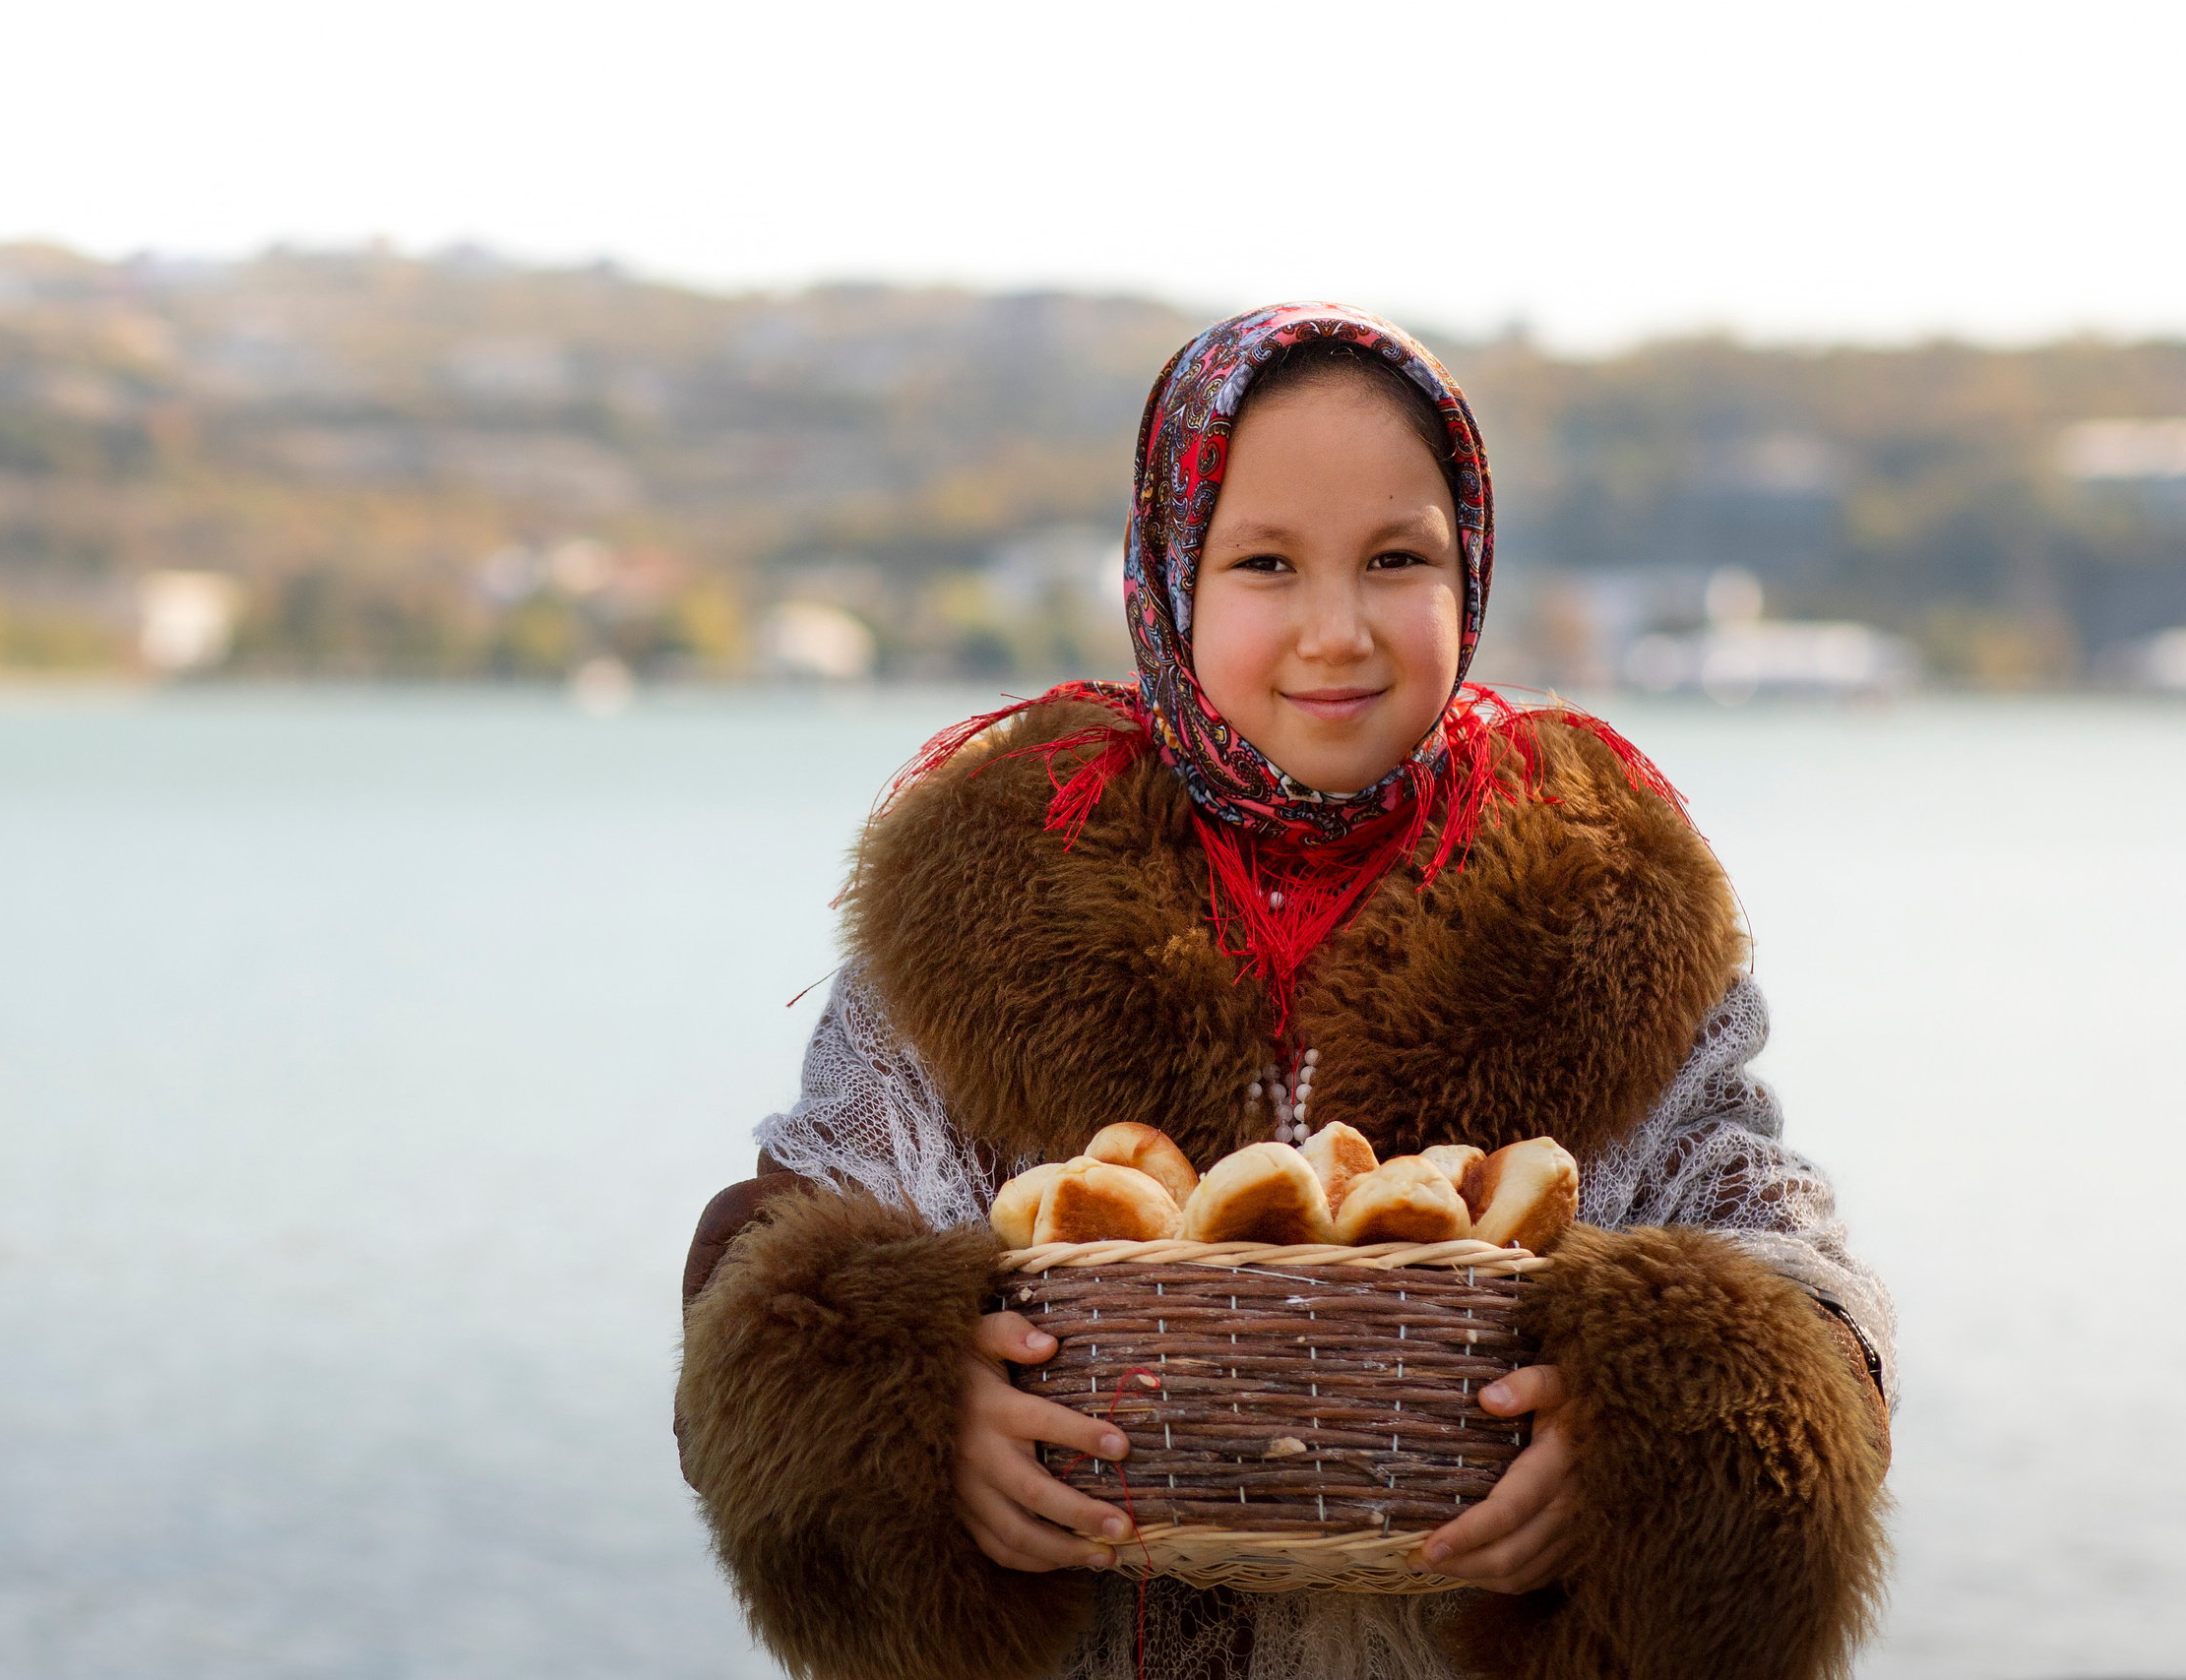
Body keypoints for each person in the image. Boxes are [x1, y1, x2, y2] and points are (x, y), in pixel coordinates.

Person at [675, 305, 1893, 1680]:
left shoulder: (1607, 911)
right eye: (1266, 562)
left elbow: (1786, 1269)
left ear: (1469, 570)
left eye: (1396, 560)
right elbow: (787, 1240)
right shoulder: (988, 897)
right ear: (1174, 576)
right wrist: (905, 1412)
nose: (1339, 630)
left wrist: (1644, 1444)